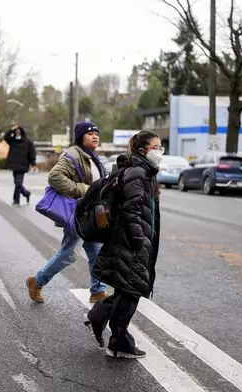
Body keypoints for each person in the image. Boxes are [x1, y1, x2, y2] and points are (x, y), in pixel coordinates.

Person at [84, 130, 163, 359]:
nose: (159, 152)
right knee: (132, 290)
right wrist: (140, 240)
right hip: (131, 241)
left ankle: (100, 319)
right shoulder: (138, 172)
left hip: (130, 239)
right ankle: (118, 342)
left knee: (127, 289)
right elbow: (132, 210)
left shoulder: (144, 171)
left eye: (160, 147)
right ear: (141, 150)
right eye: (155, 147)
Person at [26, 121, 109, 304]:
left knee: (96, 252)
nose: (95, 136)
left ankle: (98, 290)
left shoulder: (91, 156)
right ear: (80, 137)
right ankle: (37, 281)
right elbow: (55, 177)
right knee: (69, 253)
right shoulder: (73, 154)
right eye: (90, 133)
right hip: (78, 214)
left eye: (96, 133)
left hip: (91, 214)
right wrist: (83, 189)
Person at [3, 124, 36, 206]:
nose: (17, 135)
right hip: (14, 165)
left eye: (19, 133)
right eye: (16, 133)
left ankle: (16, 200)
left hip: (23, 165)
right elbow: (5, 137)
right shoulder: (12, 141)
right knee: (17, 184)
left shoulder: (28, 142)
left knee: (18, 183)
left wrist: (33, 163)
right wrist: (11, 129)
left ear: (22, 133)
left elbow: (32, 153)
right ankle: (26, 193)